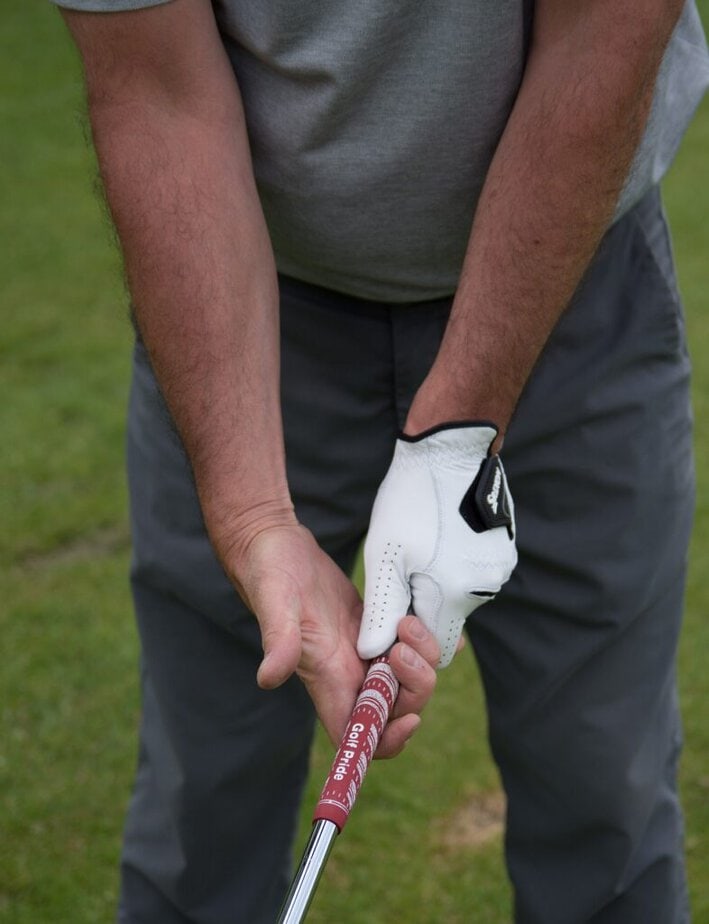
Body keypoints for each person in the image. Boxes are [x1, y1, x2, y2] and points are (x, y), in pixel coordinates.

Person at [54, 0, 708, 921]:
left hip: (571, 278)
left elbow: (603, 38)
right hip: (240, 310)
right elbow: (156, 96)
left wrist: (454, 433)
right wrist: (252, 521)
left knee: (603, 799)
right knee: (202, 805)